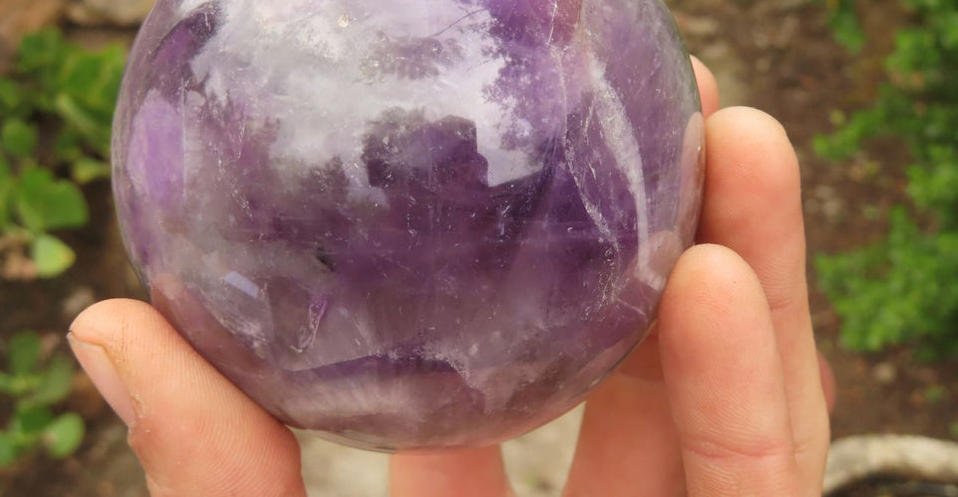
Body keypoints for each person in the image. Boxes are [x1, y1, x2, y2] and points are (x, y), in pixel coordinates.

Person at [68, 58, 834, 496]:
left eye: (464, 171)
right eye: (424, 182)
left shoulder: (555, 231)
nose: (450, 194)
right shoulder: (325, 287)